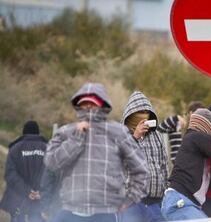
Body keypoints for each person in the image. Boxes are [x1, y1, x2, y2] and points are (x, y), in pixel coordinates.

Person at [44, 82, 149, 222]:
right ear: (77, 105)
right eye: (84, 103)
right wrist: (76, 138)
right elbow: (51, 163)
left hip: (104, 212)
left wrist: (129, 199)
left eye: (92, 103)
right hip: (69, 210)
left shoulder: (118, 132)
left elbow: (141, 169)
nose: (88, 107)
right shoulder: (65, 132)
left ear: (102, 105)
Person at [120, 90, 168, 222]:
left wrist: (165, 190)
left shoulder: (157, 135)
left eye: (146, 113)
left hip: (155, 202)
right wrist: (135, 137)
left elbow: (163, 163)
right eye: (140, 113)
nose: (144, 116)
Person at [0, 121, 48, 222]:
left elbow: (10, 174)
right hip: (39, 201)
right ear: (38, 133)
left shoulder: (15, 149)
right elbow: (52, 173)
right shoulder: (48, 148)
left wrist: (27, 191)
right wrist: (40, 192)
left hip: (18, 201)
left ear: (24, 132)